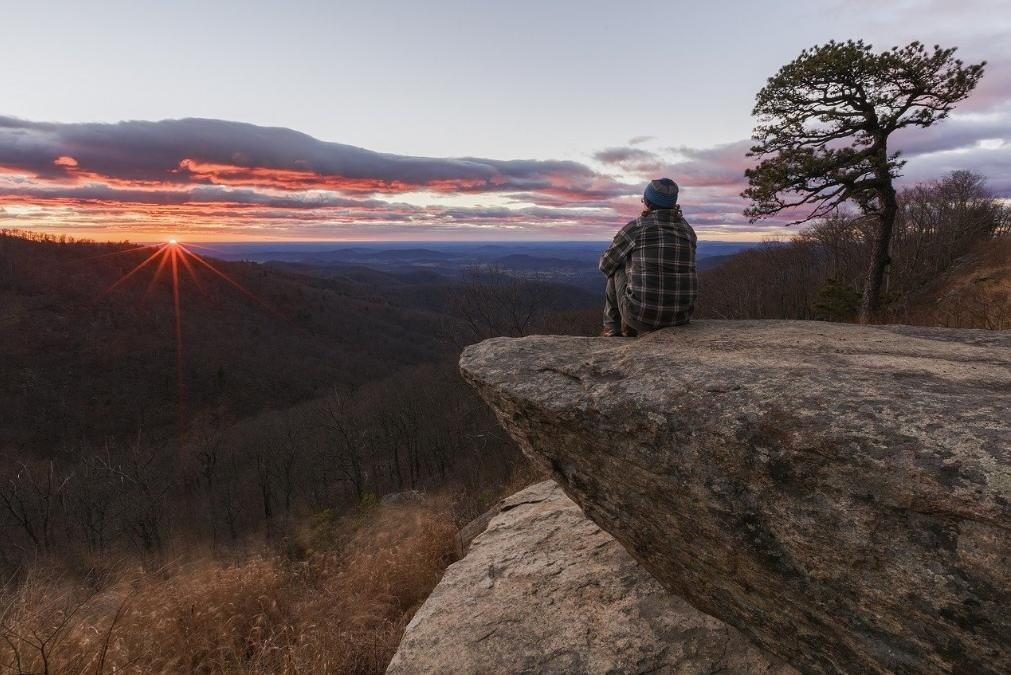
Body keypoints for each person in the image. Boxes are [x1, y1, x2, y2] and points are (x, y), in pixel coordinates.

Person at [599, 178, 698, 337]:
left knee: (617, 266)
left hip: (640, 318)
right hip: (681, 316)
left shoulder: (637, 227)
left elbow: (605, 265)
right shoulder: (687, 230)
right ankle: (624, 329)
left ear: (647, 202)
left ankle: (612, 330)